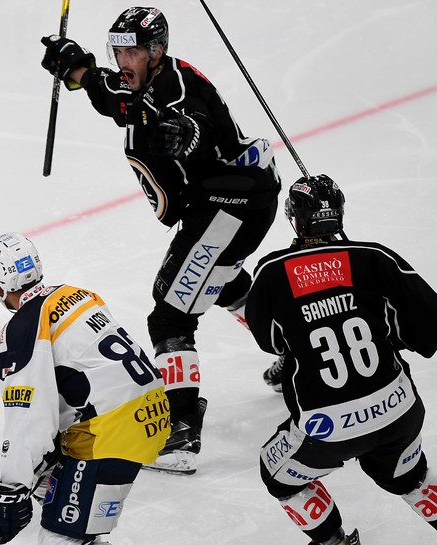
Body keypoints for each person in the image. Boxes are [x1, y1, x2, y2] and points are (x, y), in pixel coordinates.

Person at [39, 6, 281, 474]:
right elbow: (112, 95)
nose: (124, 60)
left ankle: (183, 429)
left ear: (157, 52)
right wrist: (77, 69)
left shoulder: (178, 93)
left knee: (170, 313)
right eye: (119, 51)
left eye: (132, 51)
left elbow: (192, 126)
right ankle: (294, 351)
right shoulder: (140, 82)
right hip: (231, 201)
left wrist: (182, 137)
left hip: (232, 205)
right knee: (221, 282)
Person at [245, 175, 437, 545]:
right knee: (409, 479)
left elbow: (271, 342)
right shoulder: (375, 257)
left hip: (329, 427)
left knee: (277, 476)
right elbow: (428, 328)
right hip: (399, 410)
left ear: (296, 219)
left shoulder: (271, 272)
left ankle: (334, 542)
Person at [0, 232, 170, 545]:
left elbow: (27, 415)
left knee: (59, 537)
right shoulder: (77, 294)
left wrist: (10, 490)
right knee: (46, 486)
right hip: (151, 411)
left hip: (111, 431)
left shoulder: (23, 328)